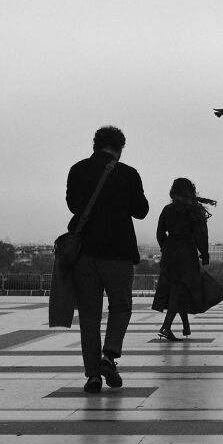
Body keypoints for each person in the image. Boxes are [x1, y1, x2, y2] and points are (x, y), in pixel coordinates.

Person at [66, 126, 149, 392]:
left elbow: (73, 205)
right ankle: (109, 355)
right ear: (120, 147)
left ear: (95, 144)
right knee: (121, 306)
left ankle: (92, 375)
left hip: (85, 253)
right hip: (118, 252)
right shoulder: (127, 174)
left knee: (89, 315)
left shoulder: (76, 170)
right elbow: (141, 211)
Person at [153, 177, 210, 340]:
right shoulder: (193, 210)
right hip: (186, 253)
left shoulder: (167, 209)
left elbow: (159, 233)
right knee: (181, 289)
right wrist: (204, 254)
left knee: (177, 289)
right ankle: (166, 327)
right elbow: (201, 235)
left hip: (170, 252)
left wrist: (166, 247)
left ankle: (185, 326)